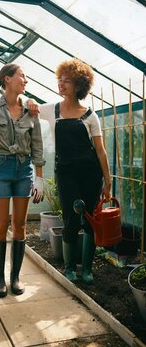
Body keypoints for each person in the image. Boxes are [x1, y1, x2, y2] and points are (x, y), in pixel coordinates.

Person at [27, 57, 111, 284]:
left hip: (91, 174)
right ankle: (70, 267)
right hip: (66, 173)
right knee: (72, 219)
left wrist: (107, 180)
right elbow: (29, 106)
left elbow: (101, 151)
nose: (61, 84)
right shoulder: (51, 110)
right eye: (60, 80)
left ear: (79, 86)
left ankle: (87, 269)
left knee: (91, 220)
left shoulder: (90, 115)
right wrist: (31, 100)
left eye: (66, 81)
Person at [0, 63, 45, 298]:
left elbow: (37, 145)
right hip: (1, 169)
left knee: (20, 226)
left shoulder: (30, 109)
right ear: (7, 79)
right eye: (22, 76)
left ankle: (15, 278)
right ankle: (0, 279)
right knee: (1, 225)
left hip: (23, 169)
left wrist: (40, 178)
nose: (26, 80)